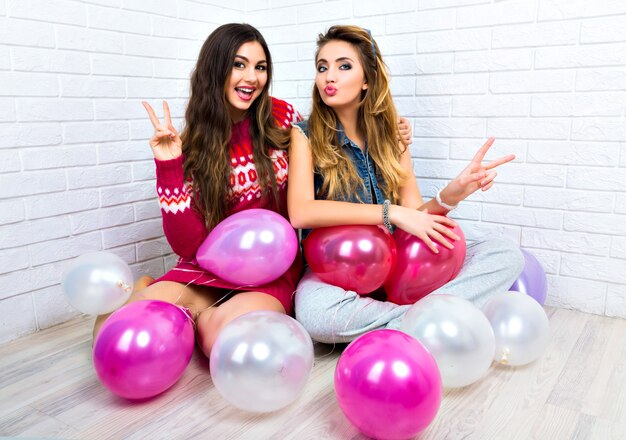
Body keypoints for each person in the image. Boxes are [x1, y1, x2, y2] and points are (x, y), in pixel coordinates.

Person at [92, 23, 413, 357]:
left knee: (226, 340)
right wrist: (169, 164)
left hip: (272, 270)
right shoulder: (191, 144)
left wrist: (389, 127)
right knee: (110, 332)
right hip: (210, 269)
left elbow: (331, 136)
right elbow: (187, 244)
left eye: (260, 67)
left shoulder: (283, 117)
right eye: (239, 64)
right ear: (215, 69)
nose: (251, 77)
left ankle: (196, 318)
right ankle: (181, 302)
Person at [287, 25, 524, 344]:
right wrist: (390, 213)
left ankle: (405, 321)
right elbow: (301, 212)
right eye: (322, 67)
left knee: (504, 252)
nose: (330, 76)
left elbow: (415, 215)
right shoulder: (304, 134)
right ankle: (432, 320)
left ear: (367, 80)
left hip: (396, 264)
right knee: (316, 316)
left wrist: (453, 193)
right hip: (335, 272)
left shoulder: (393, 136)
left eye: (344, 66)